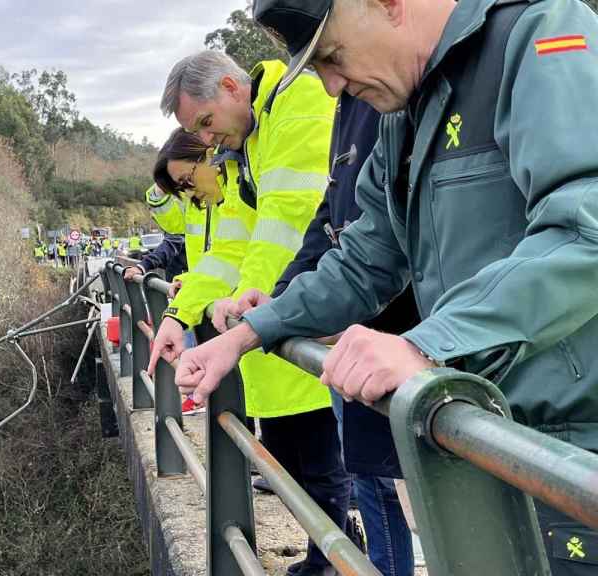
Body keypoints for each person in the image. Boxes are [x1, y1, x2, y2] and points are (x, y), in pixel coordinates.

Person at [177, 0, 598, 574]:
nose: (331, 86)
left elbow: (585, 231)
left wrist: (427, 346)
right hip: (479, 447)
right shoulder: (403, 113)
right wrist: (248, 333)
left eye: (331, 55)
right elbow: (363, 260)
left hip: (571, 456)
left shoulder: (539, 37)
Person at [158, 54, 349, 576]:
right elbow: (233, 251)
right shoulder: (249, 145)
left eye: (204, 123)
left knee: (338, 474)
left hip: (309, 327)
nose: (208, 138)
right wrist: (179, 313)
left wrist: (248, 307)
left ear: (229, 86)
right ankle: (326, 558)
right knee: (296, 467)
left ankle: (337, 561)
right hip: (274, 334)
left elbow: (288, 223)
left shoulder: (295, 104)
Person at [228, 91, 418, 576]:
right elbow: (336, 225)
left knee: (394, 491)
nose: (329, 81)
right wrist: (279, 300)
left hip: (397, 349)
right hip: (353, 344)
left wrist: (429, 343)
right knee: (377, 485)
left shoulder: (377, 94)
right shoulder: (347, 102)